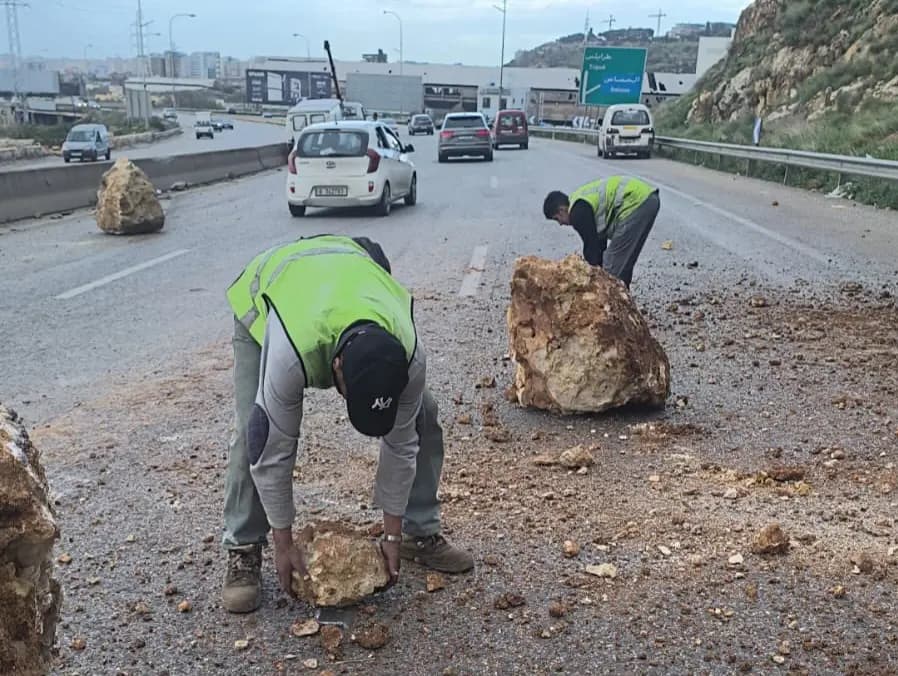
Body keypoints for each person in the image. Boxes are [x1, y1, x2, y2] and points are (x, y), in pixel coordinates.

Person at [221, 234, 473, 613]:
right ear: (335, 368)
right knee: (252, 433)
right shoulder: (293, 349)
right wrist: (284, 542)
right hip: (270, 299)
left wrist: (390, 533)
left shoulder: (409, 353)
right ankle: (243, 548)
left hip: (347, 278)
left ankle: (416, 532)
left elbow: (401, 446)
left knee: (423, 416)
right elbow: (273, 450)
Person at [543, 176, 660, 287]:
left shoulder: (577, 212)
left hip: (635, 202)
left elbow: (591, 247)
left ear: (562, 210)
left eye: (557, 219)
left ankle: (608, 305)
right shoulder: (582, 203)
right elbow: (598, 245)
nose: (560, 224)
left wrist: (590, 279)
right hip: (648, 199)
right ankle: (624, 302)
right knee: (623, 263)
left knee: (610, 270)